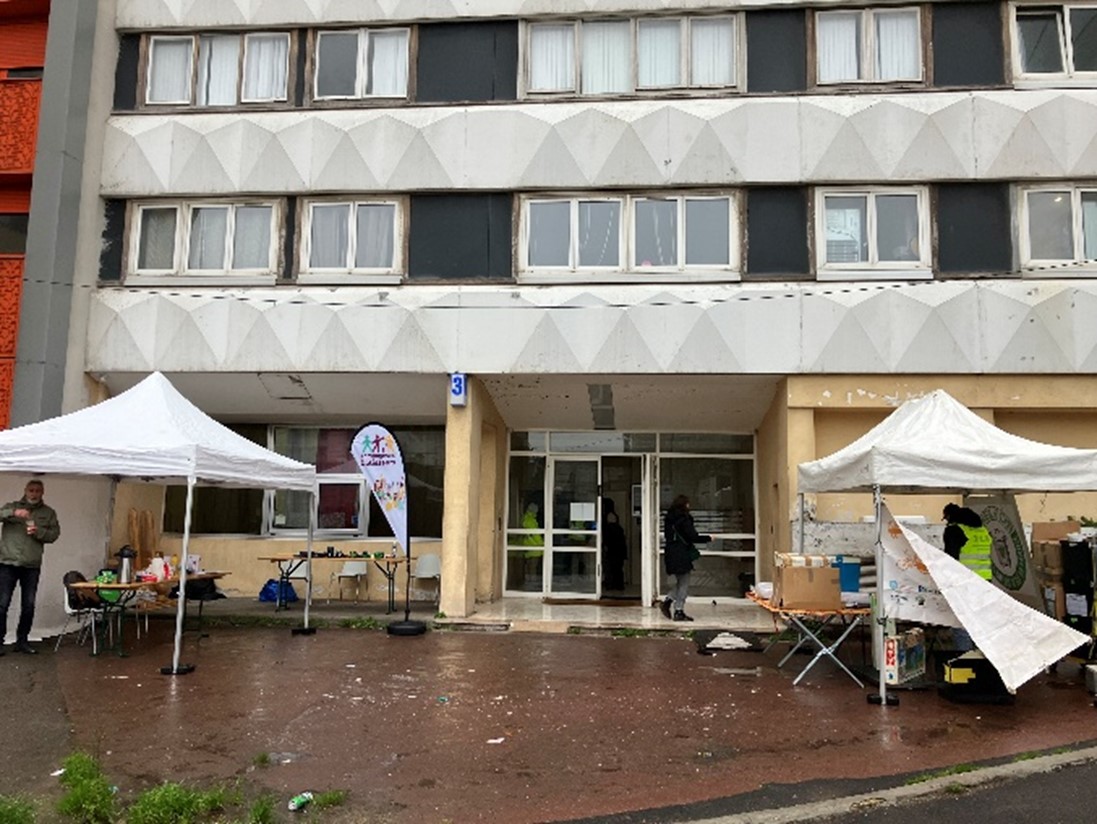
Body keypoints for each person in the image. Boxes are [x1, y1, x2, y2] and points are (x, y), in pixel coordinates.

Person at [0, 479, 61, 654]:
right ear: (25, 490)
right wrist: (13, 512)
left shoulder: (48, 513)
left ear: (42, 492)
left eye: (37, 491)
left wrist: (38, 532)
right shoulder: (12, 506)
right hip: (8, 562)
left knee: (28, 605)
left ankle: (22, 641)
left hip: (31, 565)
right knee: (2, 604)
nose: (34, 493)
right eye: (31, 490)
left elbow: (54, 535)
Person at [941, 503, 992, 651]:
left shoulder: (954, 530)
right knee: (981, 621)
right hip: (985, 581)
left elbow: (950, 558)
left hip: (964, 582)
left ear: (950, 516)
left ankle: (965, 657)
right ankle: (982, 656)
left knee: (962, 622)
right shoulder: (982, 530)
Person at [660, 494, 711, 622]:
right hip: (681, 554)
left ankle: (670, 603)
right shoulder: (684, 519)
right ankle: (677, 610)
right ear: (684, 505)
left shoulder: (669, 519)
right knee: (684, 583)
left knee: (681, 582)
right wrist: (708, 538)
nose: (689, 506)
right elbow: (692, 536)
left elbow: (668, 536)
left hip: (671, 552)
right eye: (688, 503)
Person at [601, 498, 627, 591]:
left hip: (613, 550)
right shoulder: (618, 527)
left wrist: (605, 546)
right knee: (617, 568)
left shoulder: (609, 525)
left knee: (611, 568)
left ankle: (612, 585)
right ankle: (618, 585)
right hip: (618, 550)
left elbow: (608, 538)